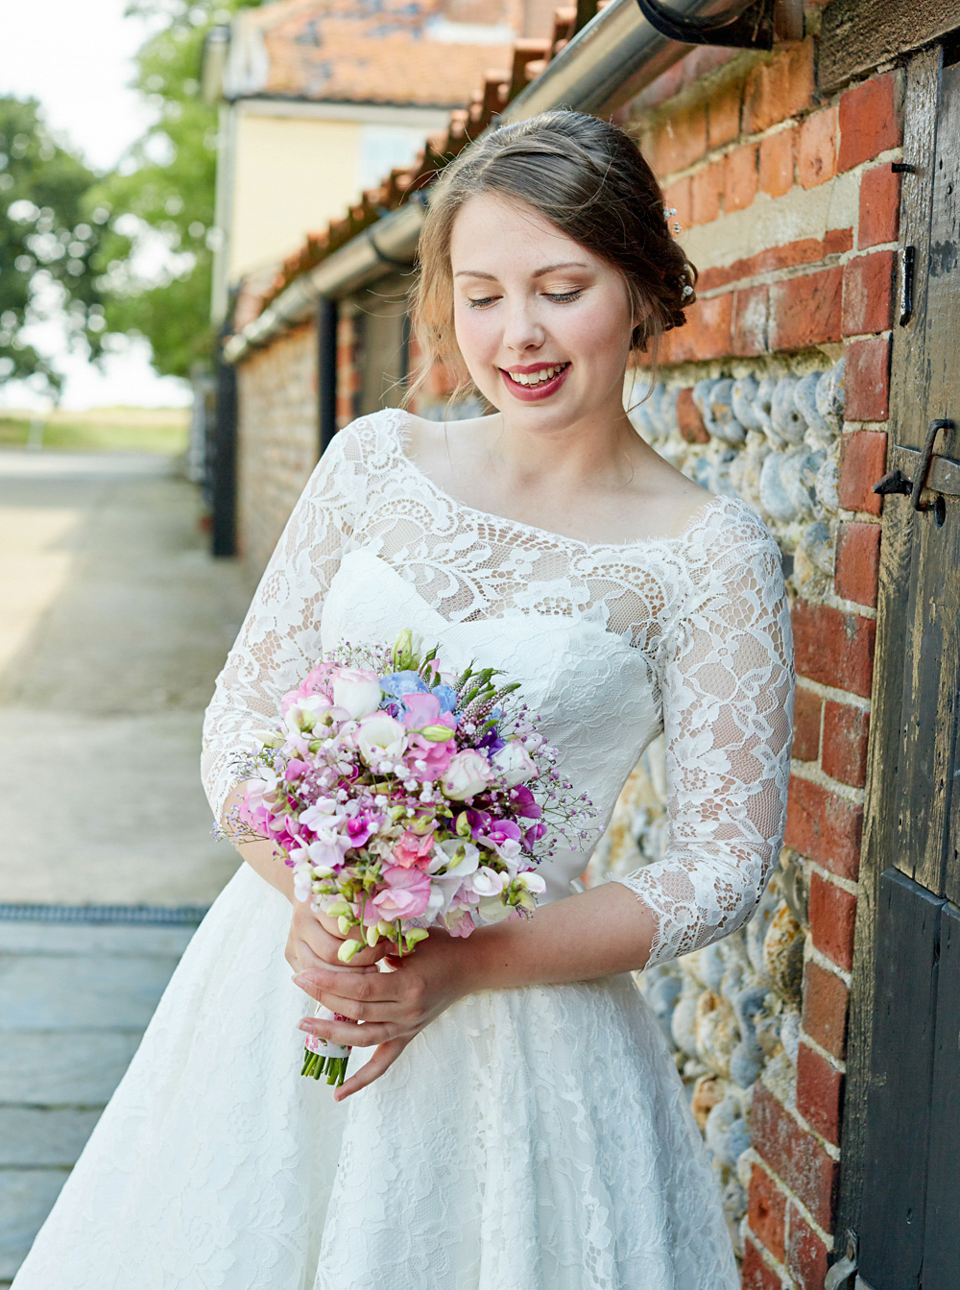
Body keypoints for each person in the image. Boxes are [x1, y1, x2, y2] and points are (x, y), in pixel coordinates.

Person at [13, 110, 794, 1290]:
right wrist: (316, 895)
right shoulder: (373, 463)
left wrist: (461, 964)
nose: (517, 334)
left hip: (526, 1034)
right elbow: (242, 721)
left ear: (640, 285)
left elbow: (722, 867)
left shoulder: (710, 554)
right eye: (479, 294)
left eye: (560, 287)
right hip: (283, 978)